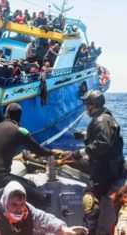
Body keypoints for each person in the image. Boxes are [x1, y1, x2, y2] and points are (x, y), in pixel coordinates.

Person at [68, 90, 125, 235]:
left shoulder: (102, 120)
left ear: (91, 105)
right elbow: (104, 136)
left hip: (105, 169)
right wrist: (83, 134)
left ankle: (88, 232)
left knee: (90, 199)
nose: (86, 107)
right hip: (105, 165)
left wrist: (80, 152)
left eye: (87, 103)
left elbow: (103, 143)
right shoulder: (103, 118)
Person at [0, 103, 54, 209]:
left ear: (6, 115)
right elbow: (38, 151)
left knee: (30, 185)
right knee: (40, 198)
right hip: (0, 179)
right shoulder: (19, 131)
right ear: (19, 117)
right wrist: (51, 152)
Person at [0, 181, 88, 235]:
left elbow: (44, 219)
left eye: (21, 204)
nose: (19, 208)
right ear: (4, 203)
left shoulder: (27, 210)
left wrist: (62, 229)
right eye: (14, 204)